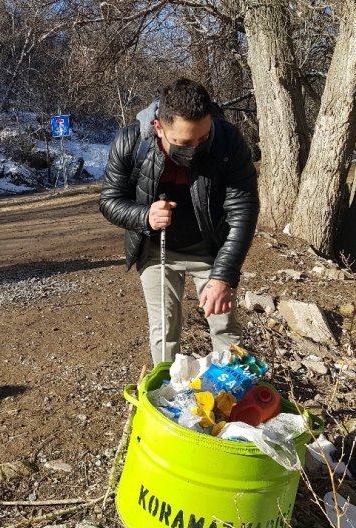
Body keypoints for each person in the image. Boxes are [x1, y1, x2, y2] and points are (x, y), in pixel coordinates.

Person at [99, 78, 259, 364]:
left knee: (225, 327)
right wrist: (145, 215)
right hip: (157, 249)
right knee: (165, 329)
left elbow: (243, 209)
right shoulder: (131, 141)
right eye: (185, 142)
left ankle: (232, 395)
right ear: (159, 127)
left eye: (202, 138)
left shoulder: (227, 141)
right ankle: (167, 396)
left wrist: (224, 275)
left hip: (211, 249)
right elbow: (109, 201)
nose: (195, 148)